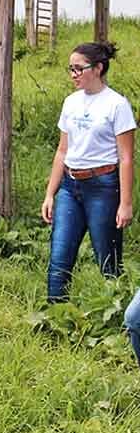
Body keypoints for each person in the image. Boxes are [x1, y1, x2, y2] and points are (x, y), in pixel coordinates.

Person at [42, 42, 134, 306]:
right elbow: (62, 151)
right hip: (70, 188)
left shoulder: (117, 105)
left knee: (107, 258)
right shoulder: (70, 103)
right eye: (70, 69)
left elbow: (126, 158)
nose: (73, 74)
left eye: (78, 69)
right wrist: (51, 193)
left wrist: (125, 203)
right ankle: (55, 317)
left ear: (98, 68)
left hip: (103, 187)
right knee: (59, 256)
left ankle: (118, 317)